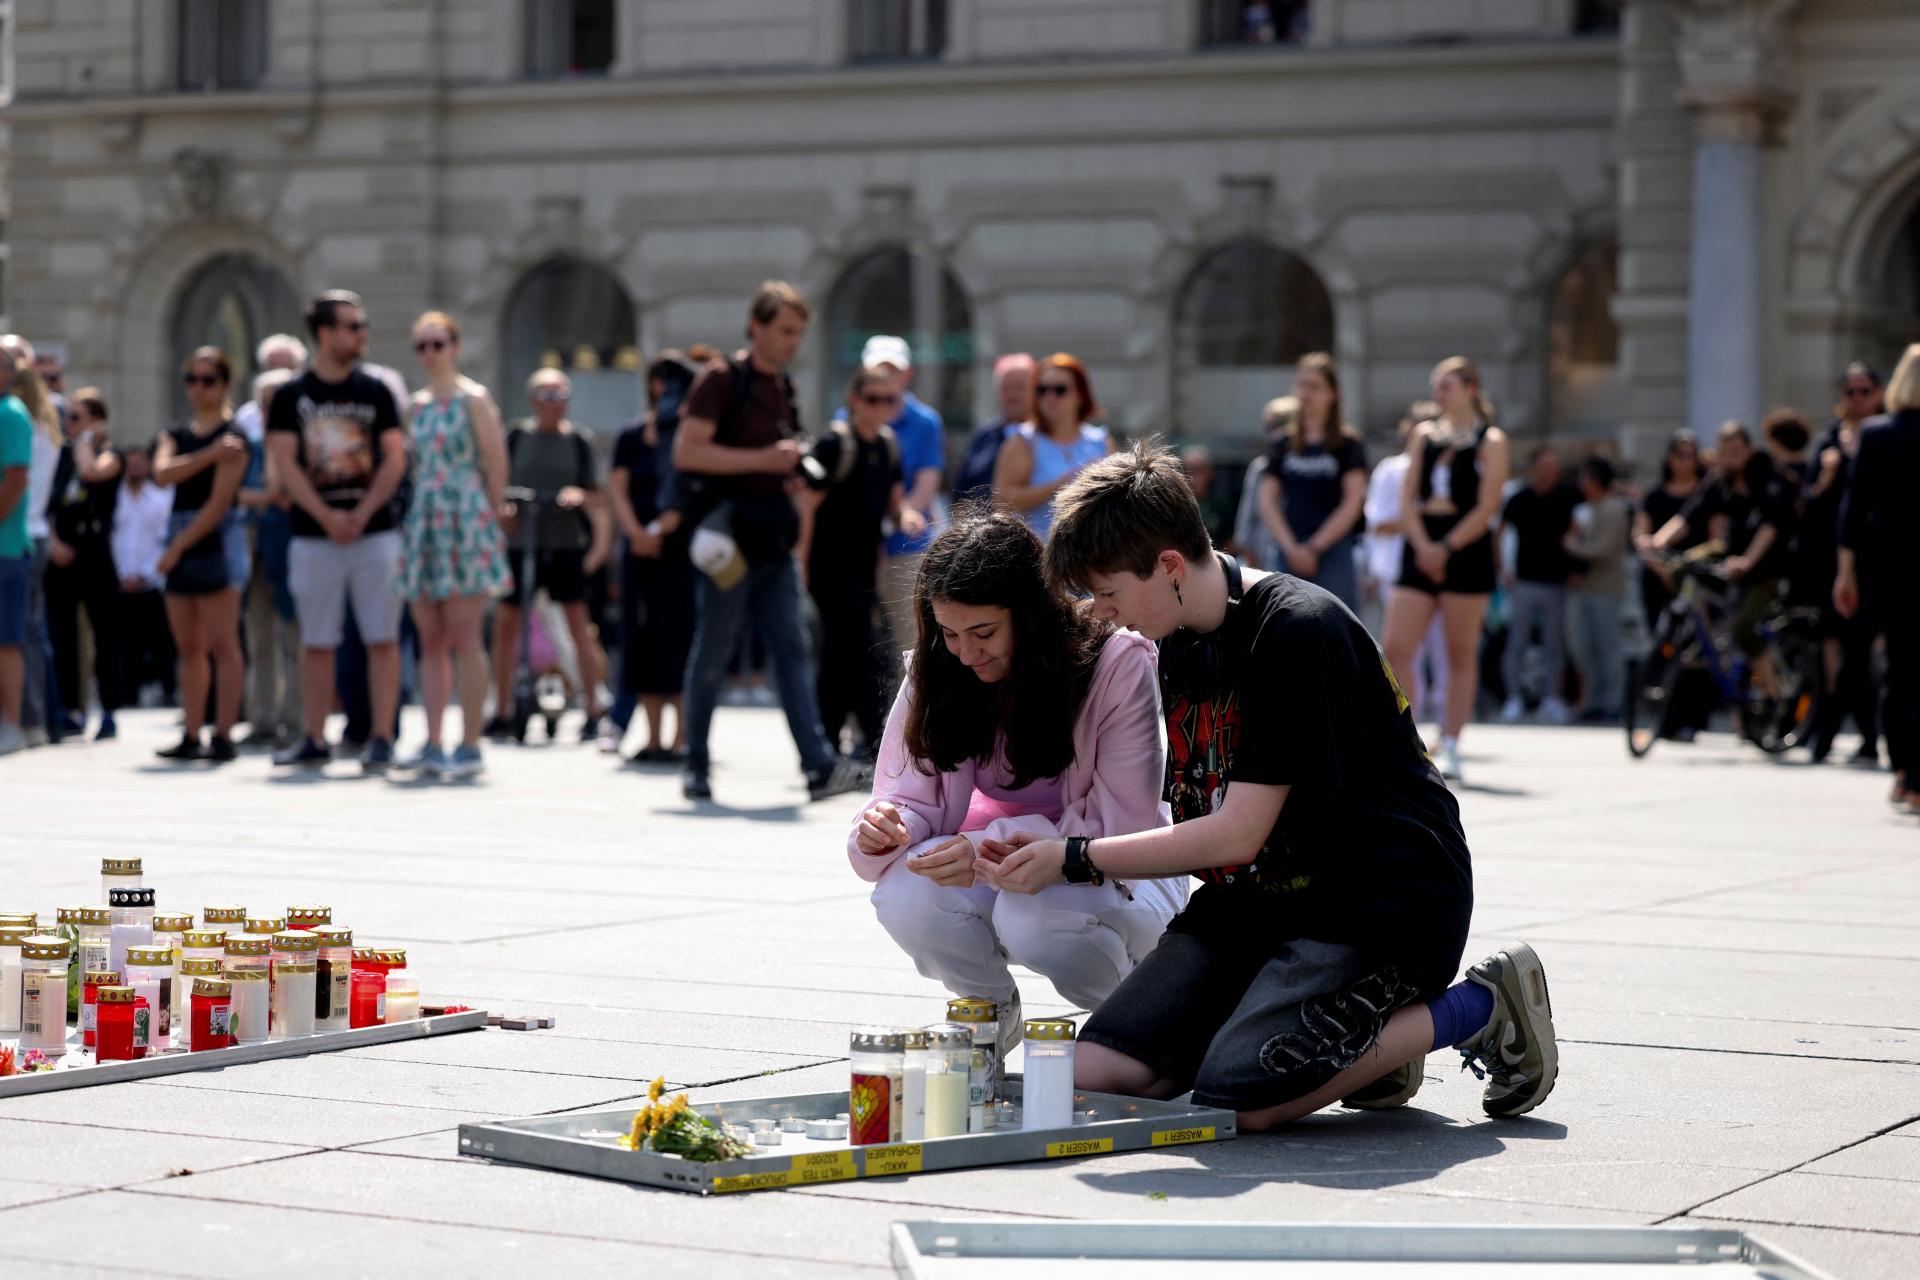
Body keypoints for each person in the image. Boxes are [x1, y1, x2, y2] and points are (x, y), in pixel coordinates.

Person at [1000, 441, 1555, 1131]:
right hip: (1258, 902)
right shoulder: (1179, 633)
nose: (1104, 611)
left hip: (1382, 904)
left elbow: (1237, 831)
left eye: (1108, 591)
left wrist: (1075, 856)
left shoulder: (1295, 630)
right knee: (1098, 1072)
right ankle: (1358, 1043)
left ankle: (1480, 1008)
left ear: (1169, 565)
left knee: (1241, 1097)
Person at [849, 509, 1185, 1031]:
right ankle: (989, 1015)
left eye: (983, 632)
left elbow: (1124, 826)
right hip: (999, 860)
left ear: (1031, 615)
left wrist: (984, 845)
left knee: (1035, 919)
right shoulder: (938, 667)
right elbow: (906, 795)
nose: (965, 653)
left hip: (1117, 870)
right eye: (949, 633)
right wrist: (887, 826)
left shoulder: (1115, 662)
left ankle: (1139, 1026)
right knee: (906, 890)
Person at [671, 280, 866, 803]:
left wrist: (792, 469)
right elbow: (687, 452)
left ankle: (818, 767)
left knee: (792, 652)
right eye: (783, 331)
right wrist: (763, 459)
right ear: (755, 326)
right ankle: (695, 764)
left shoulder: (783, 384)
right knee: (713, 651)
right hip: (728, 542)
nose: (791, 342)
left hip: (773, 539)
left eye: (799, 334)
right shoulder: (719, 380)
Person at [267, 290, 410, 772]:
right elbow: (285, 464)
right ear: (324, 333)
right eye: (352, 326)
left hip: (376, 533)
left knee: (382, 638)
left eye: (362, 325)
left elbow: (394, 457)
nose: (361, 334)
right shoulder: (291, 394)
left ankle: (383, 737)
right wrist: (328, 518)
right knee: (316, 640)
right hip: (313, 534)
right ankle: (314, 737)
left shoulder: (377, 391)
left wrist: (364, 511)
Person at [1380, 358, 1511, 783]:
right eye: (1436, 385)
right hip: (1421, 543)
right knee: (1396, 645)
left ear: (1471, 388)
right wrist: (1424, 546)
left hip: (1466, 546)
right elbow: (1407, 498)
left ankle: (1451, 742)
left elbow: (1488, 505)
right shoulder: (1424, 435)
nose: (1439, 394)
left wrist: (1447, 547)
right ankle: (1404, 738)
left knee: (1459, 651)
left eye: (1448, 386)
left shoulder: (1491, 440)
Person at [395, 311, 510, 777]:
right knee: (431, 641)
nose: (429, 354)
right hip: (426, 520)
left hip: (465, 518)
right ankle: (433, 739)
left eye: (437, 344)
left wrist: (490, 521)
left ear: (455, 347)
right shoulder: (417, 406)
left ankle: (471, 742)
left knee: (465, 637)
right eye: (421, 346)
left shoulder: (474, 399)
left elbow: (496, 465)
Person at [798, 366, 921, 761]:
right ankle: (837, 741)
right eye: (872, 399)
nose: (880, 407)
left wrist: (905, 515)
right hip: (828, 566)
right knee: (843, 648)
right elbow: (807, 506)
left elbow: (894, 499)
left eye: (889, 399)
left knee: (856, 648)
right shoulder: (835, 443)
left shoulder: (888, 445)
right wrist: (799, 562)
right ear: (853, 401)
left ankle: (857, 741)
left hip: (867, 565)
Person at [485, 368, 610, 742]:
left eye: (561, 396)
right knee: (507, 625)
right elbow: (496, 481)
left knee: (577, 626)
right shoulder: (517, 437)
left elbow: (598, 498)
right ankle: (502, 708)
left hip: (564, 543)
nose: (555, 404)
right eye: (548, 396)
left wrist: (577, 497)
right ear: (533, 400)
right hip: (523, 543)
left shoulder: (579, 442)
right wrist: (503, 511)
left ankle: (592, 707)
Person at [150, 347, 251, 762]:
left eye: (208, 379)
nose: (198, 388)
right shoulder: (178, 434)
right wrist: (209, 455)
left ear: (225, 384)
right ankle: (191, 731)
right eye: (192, 379)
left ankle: (223, 733)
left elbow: (219, 502)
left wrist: (177, 547)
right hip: (180, 534)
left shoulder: (237, 436)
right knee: (188, 646)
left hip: (214, 536)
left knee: (223, 643)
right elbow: (161, 473)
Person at [1650, 420, 1796, 702]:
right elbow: (1689, 515)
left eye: (1736, 450)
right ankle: (1697, 626)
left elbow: (1770, 526)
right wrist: (1659, 541)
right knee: (1681, 566)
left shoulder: (1769, 477)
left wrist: (1747, 561)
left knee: (1744, 627)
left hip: (1768, 565)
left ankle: (1773, 693)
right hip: (1731, 554)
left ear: (1749, 449)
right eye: (1724, 450)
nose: (1730, 456)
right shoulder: (1721, 478)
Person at [1834, 343, 1920, 812]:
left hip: (1887, 568)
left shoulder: (1877, 435)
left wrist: (1844, 574)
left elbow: (1852, 510)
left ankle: (1904, 772)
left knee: (1900, 671)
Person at [604, 352, 699, 761]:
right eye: (660, 380)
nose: (665, 388)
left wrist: (672, 520)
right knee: (641, 640)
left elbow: (694, 486)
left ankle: (681, 736)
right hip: (640, 550)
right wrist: (636, 532)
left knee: (679, 637)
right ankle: (653, 736)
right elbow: (617, 488)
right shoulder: (631, 435)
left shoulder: (688, 436)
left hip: (680, 551)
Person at [844, 335, 944, 671]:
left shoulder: (925, 421)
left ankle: (910, 719)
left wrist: (904, 515)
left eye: (893, 369)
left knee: (912, 639)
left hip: (908, 543)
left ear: (907, 373)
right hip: (858, 544)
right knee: (859, 638)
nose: (886, 376)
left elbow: (927, 478)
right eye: (878, 368)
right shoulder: (844, 419)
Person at [1805, 365, 1884, 765]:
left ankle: (1859, 732)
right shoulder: (1830, 441)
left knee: (1860, 655)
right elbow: (1809, 503)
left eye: (1864, 390)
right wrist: (1826, 475)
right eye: (1850, 391)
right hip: (1833, 562)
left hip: (1876, 563)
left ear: (1879, 392)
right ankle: (1833, 733)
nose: (1856, 398)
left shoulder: (1888, 437)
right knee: (1833, 654)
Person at [235, 334, 308, 746]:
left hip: (292, 545)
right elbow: (236, 492)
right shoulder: (249, 442)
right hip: (255, 545)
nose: (268, 408)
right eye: (264, 401)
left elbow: (290, 494)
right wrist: (267, 497)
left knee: (295, 637)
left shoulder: (301, 444)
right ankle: (262, 718)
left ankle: (296, 719)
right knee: (258, 636)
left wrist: (267, 495)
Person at [1255, 353, 1367, 610]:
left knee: (1337, 626)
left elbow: (1353, 502)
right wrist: (1291, 547)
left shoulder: (1348, 445)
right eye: (1301, 385)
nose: (1306, 394)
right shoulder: (1282, 444)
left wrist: (1314, 547)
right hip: (1287, 549)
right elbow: (1267, 500)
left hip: (1333, 551)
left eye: (1315, 387)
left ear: (1333, 394)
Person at [45, 388, 123, 740]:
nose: (69, 425)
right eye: (68, 418)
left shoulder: (108, 454)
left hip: (96, 554)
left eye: (76, 418)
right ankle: (72, 708)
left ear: (95, 420)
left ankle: (108, 709)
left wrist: (87, 442)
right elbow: (46, 503)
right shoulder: (61, 456)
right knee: (64, 634)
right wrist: (55, 543)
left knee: (105, 633)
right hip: (65, 552)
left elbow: (93, 473)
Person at [1, 336, 66, 747]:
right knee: (28, 634)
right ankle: (36, 722)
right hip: (29, 533)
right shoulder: (31, 416)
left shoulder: (14, 415)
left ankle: (24, 722)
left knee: (14, 638)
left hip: (15, 539)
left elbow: (17, 480)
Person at [1631, 431, 1711, 741]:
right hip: (1658, 579)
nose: (1684, 460)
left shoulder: (1705, 494)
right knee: (1662, 646)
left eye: (1690, 454)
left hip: (1695, 579)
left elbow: (1716, 535)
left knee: (1692, 648)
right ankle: (1663, 718)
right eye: (1679, 453)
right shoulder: (1654, 494)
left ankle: (1692, 718)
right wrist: (1662, 569)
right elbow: (1642, 536)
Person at [1497, 447, 1580, 724]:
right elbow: (1499, 532)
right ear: (1534, 468)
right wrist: (1502, 569)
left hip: (1556, 583)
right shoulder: (1519, 498)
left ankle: (1551, 698)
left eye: (1554, 467)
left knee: (1554, 643)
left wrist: (1575, 565)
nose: (1549, 472)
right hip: (1524, 581)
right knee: (1517, 641)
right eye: (1544, 466)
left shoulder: (1567, 496)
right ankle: (1513, 698)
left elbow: (1580, 528)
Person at [992, 353, 1113, 540]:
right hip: (1043, 557)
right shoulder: (1023, 441)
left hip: (1094, 556)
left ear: (1080, 395)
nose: (1050, 396)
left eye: (1060, 389)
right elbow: (1002, 500)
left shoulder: (1101, 441)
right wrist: (1058, 487)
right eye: (1042, 390)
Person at [1562, 455, 1630, 723]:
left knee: (1608, 647)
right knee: (1582, 647)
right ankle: (1592, 699)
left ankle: (1613, 701)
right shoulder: (1584, 508)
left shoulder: (1615, 509)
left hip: (1606, 589)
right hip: (1582, 589)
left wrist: (1571, 546)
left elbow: (1606, 548)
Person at [110, 443, 176, 706]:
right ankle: (128, 694)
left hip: (152, 582)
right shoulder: (115, 498)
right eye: (131, 463)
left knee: (162, 642)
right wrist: (123, 574)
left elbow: (164, 540)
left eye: (140, 463)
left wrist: (146, 573)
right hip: (122, 580)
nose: (136, 468)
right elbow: (113, 538)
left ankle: (168, 690)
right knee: (126, 644)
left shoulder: (161, 499)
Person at [0, 345, 33, 755]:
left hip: (6, 548)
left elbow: (16, 480)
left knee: (6, 641)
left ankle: (11, 723)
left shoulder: (10, 414)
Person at [952, 353, 1034, 507]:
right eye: (1006, 388)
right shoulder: (983, 438)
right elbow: (959, 497)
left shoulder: (1047, 437)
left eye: (1020, 387)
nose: (1013, 395)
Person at [1230, 396, 1291, 571]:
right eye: (1272, 426)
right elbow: (1246, 519)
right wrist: (1251, 558)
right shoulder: (1261, 468)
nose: (1278, 433)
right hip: (1262, 560)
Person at [1181, 446, 1236, 551]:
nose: (1195, 477)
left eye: (1200, 470)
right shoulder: (1179, 505)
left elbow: (1230, 540)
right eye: (1191, 470)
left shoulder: (1221, 503)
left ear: (1209, 472)